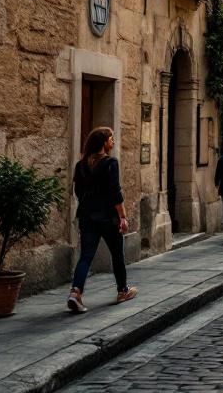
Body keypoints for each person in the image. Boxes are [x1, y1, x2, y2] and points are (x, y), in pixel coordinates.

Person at [68, 127, 136, 313]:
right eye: (111, 139)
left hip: (87, 217)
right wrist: (122, 216)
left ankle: (76, 292)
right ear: (103, 143)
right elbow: (115, 192)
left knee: (86, 256)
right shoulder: (110, 163)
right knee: (117, 254)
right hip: (108, 218)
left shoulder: (80, 166)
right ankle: (123, 290)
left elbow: (78, 193)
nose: (113, 142)